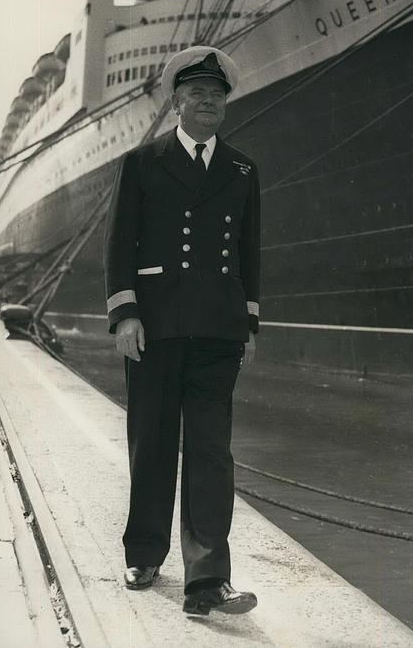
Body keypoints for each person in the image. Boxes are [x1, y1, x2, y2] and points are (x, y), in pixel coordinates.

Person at [103, 45, 260, 616]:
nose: (208, 103)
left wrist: (250, 324)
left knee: (212, 452)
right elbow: (120, 244)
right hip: (156, 327)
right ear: (176, 103)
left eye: (217, 96)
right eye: (197, 94)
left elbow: (248, 250)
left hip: (218, 331)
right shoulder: (142, 162)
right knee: (152, 442)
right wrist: (125, 313)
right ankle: (143, 552)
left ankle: (207, 580)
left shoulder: (243, 169)